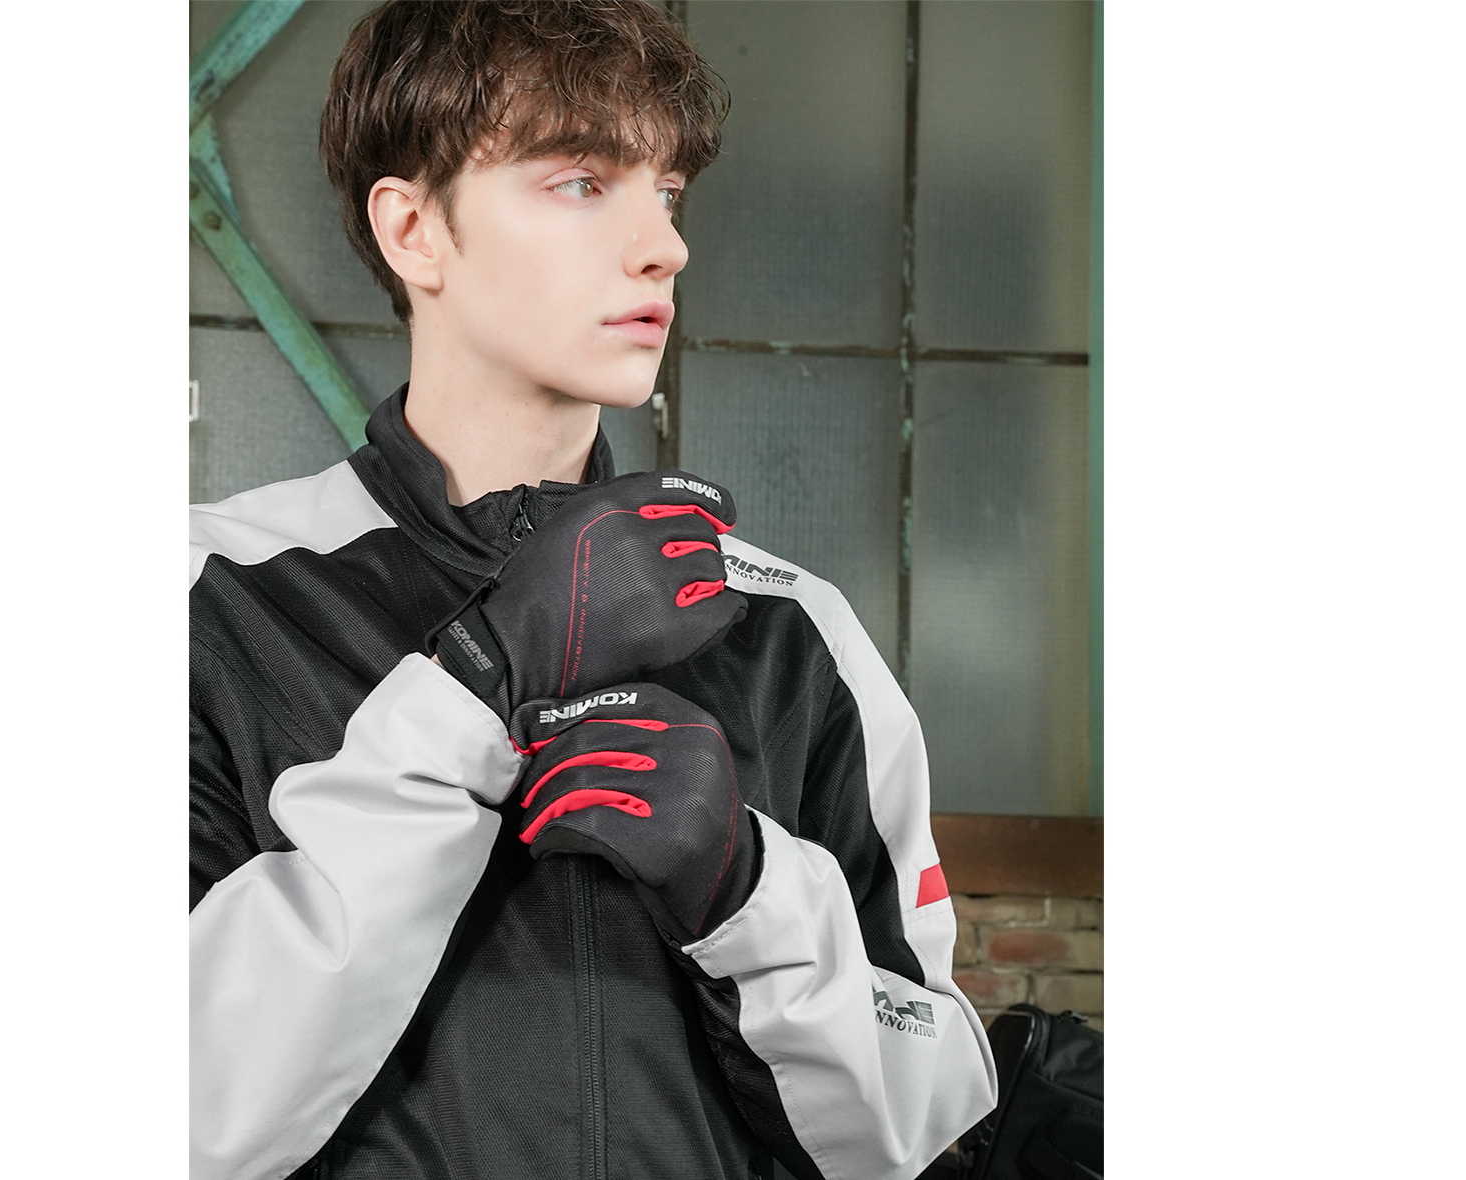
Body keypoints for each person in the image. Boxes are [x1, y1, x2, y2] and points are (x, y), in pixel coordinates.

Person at [188, 3, 996, 1178]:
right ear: (414, 229)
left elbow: (924, 1125)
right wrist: (475, 686)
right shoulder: (210, 602)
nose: (664, 246)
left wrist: (751, 894)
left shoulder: (796, 632)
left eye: (665, 191)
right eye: (580, 181)